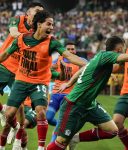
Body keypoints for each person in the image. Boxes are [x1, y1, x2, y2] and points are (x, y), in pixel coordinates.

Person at [0, 10, 86, 150]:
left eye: (52, 25)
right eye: (49, 24)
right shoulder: (21, 39)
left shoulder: (52, 42)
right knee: (9, 115)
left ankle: (41, 147)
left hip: (39, 82)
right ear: (39, 24)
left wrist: (88, 64)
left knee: (41, 111)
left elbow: (69, 57)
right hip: (21, 80)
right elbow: (4, 55)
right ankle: (16, 127)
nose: (51, 27)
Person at [46, 35, 128, 150]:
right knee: (61, 143)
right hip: (75, 104)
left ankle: (76, 138)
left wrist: (69, 83)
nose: (125, 49)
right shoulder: (107, 55)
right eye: (124, 47)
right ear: (120, 48)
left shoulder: (100, 56)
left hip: (90, 105)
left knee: (112, 131)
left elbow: (83, 69)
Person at [0, 2, 44, 150]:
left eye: (41, 12)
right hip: (4, 64)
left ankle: (18, 138)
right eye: (37, 11)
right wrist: (28, 39)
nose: (39, 14)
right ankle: (4, 114)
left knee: (19, 106)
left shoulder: (39, 30)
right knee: (11, 111)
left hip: (20, 71)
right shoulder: (18, 19)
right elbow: (13, 33)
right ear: (28, 12)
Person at [46, 41, 84, 142]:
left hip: (68, 96)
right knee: (48, 118)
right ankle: (66, 128)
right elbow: (48, 68)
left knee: (61, 122)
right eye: (68, 49)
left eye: (73, 49)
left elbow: (93, 66)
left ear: (75, 50)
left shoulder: (80, 61)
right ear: (64, 51)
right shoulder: (57, 60)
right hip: (55, 93)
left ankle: (51, 145)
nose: (71, 51)